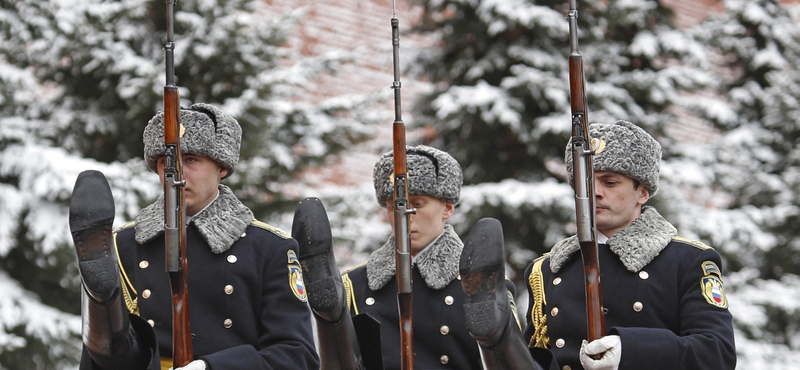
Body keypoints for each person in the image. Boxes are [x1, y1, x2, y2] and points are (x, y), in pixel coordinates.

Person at [69, 103, 320, 370]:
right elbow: (97, 356)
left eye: (191, 160)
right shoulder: (123, 244)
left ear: (221, 167)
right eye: (167, 162)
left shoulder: (269, 248)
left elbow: (296, 355)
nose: (177, 174)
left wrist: (210, 368)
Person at [522, 120, 736, 370]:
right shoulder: (547, 269)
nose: (595, 192)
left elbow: (717, 353)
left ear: (642, 193)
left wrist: (632, 349)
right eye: (585, 182)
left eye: (610, 182)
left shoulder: (687, 260)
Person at [339, 145, 519, 370]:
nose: (405, 216)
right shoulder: (354, 286)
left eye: (417, 204)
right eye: (394, 206)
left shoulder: (480, 285)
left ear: (448, 208)